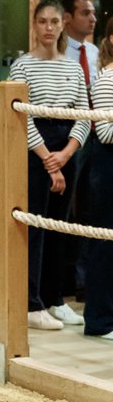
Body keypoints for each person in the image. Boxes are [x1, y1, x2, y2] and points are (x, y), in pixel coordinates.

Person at [8, 0, 90, 331]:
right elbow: (21, 115)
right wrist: (49, 161)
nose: (48, 28)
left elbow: (84, 114)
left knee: (60, 226)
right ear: (34, 24)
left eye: (54, 21)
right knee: (35, 226)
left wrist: (67, 154)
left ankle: (56, 298)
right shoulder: (22, 65)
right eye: (42, 21)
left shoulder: (72, 66)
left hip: (66, 141)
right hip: (36, 146)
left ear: (62, 25)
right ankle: (32, 303)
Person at [61, 0, 100, 298]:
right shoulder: (60, 52)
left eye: (94, 13)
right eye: (85, 13)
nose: (92, 18)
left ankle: (86, 279)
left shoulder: (96, 53)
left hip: (98, 136)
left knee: (91, 208)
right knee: (64, 209)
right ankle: (62, 279)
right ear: (68, 17)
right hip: (67, 135)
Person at [81, 17, 113, 340]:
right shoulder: (107, 79)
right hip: (108, 170)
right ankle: (100, 320)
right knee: (104, 245)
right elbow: (103, 131)